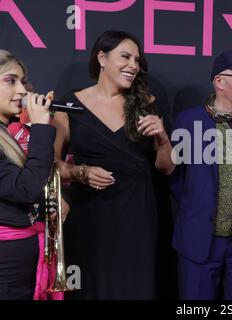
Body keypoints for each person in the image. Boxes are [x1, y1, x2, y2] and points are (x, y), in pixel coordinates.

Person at [53, 30, 174, 299]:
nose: (134, 65)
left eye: (137, 60)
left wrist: (163, 138)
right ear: (102, 58)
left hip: (137, 215)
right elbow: (52, 164)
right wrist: (79, 172)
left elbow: (166, 167)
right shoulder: (69, 105)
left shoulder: (147, 103)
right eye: (126, 57)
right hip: (89, 214)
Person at [170, 49, 232, 299]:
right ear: (219, 81)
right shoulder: (187, 120)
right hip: (200, 241)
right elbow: (174, 177)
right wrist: (197, 207)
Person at [0, 50, 57, 299]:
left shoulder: (6, 133)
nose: (23, 91)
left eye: (23, 81)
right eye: (11, 80)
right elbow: (26, 188)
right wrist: (42, 129)